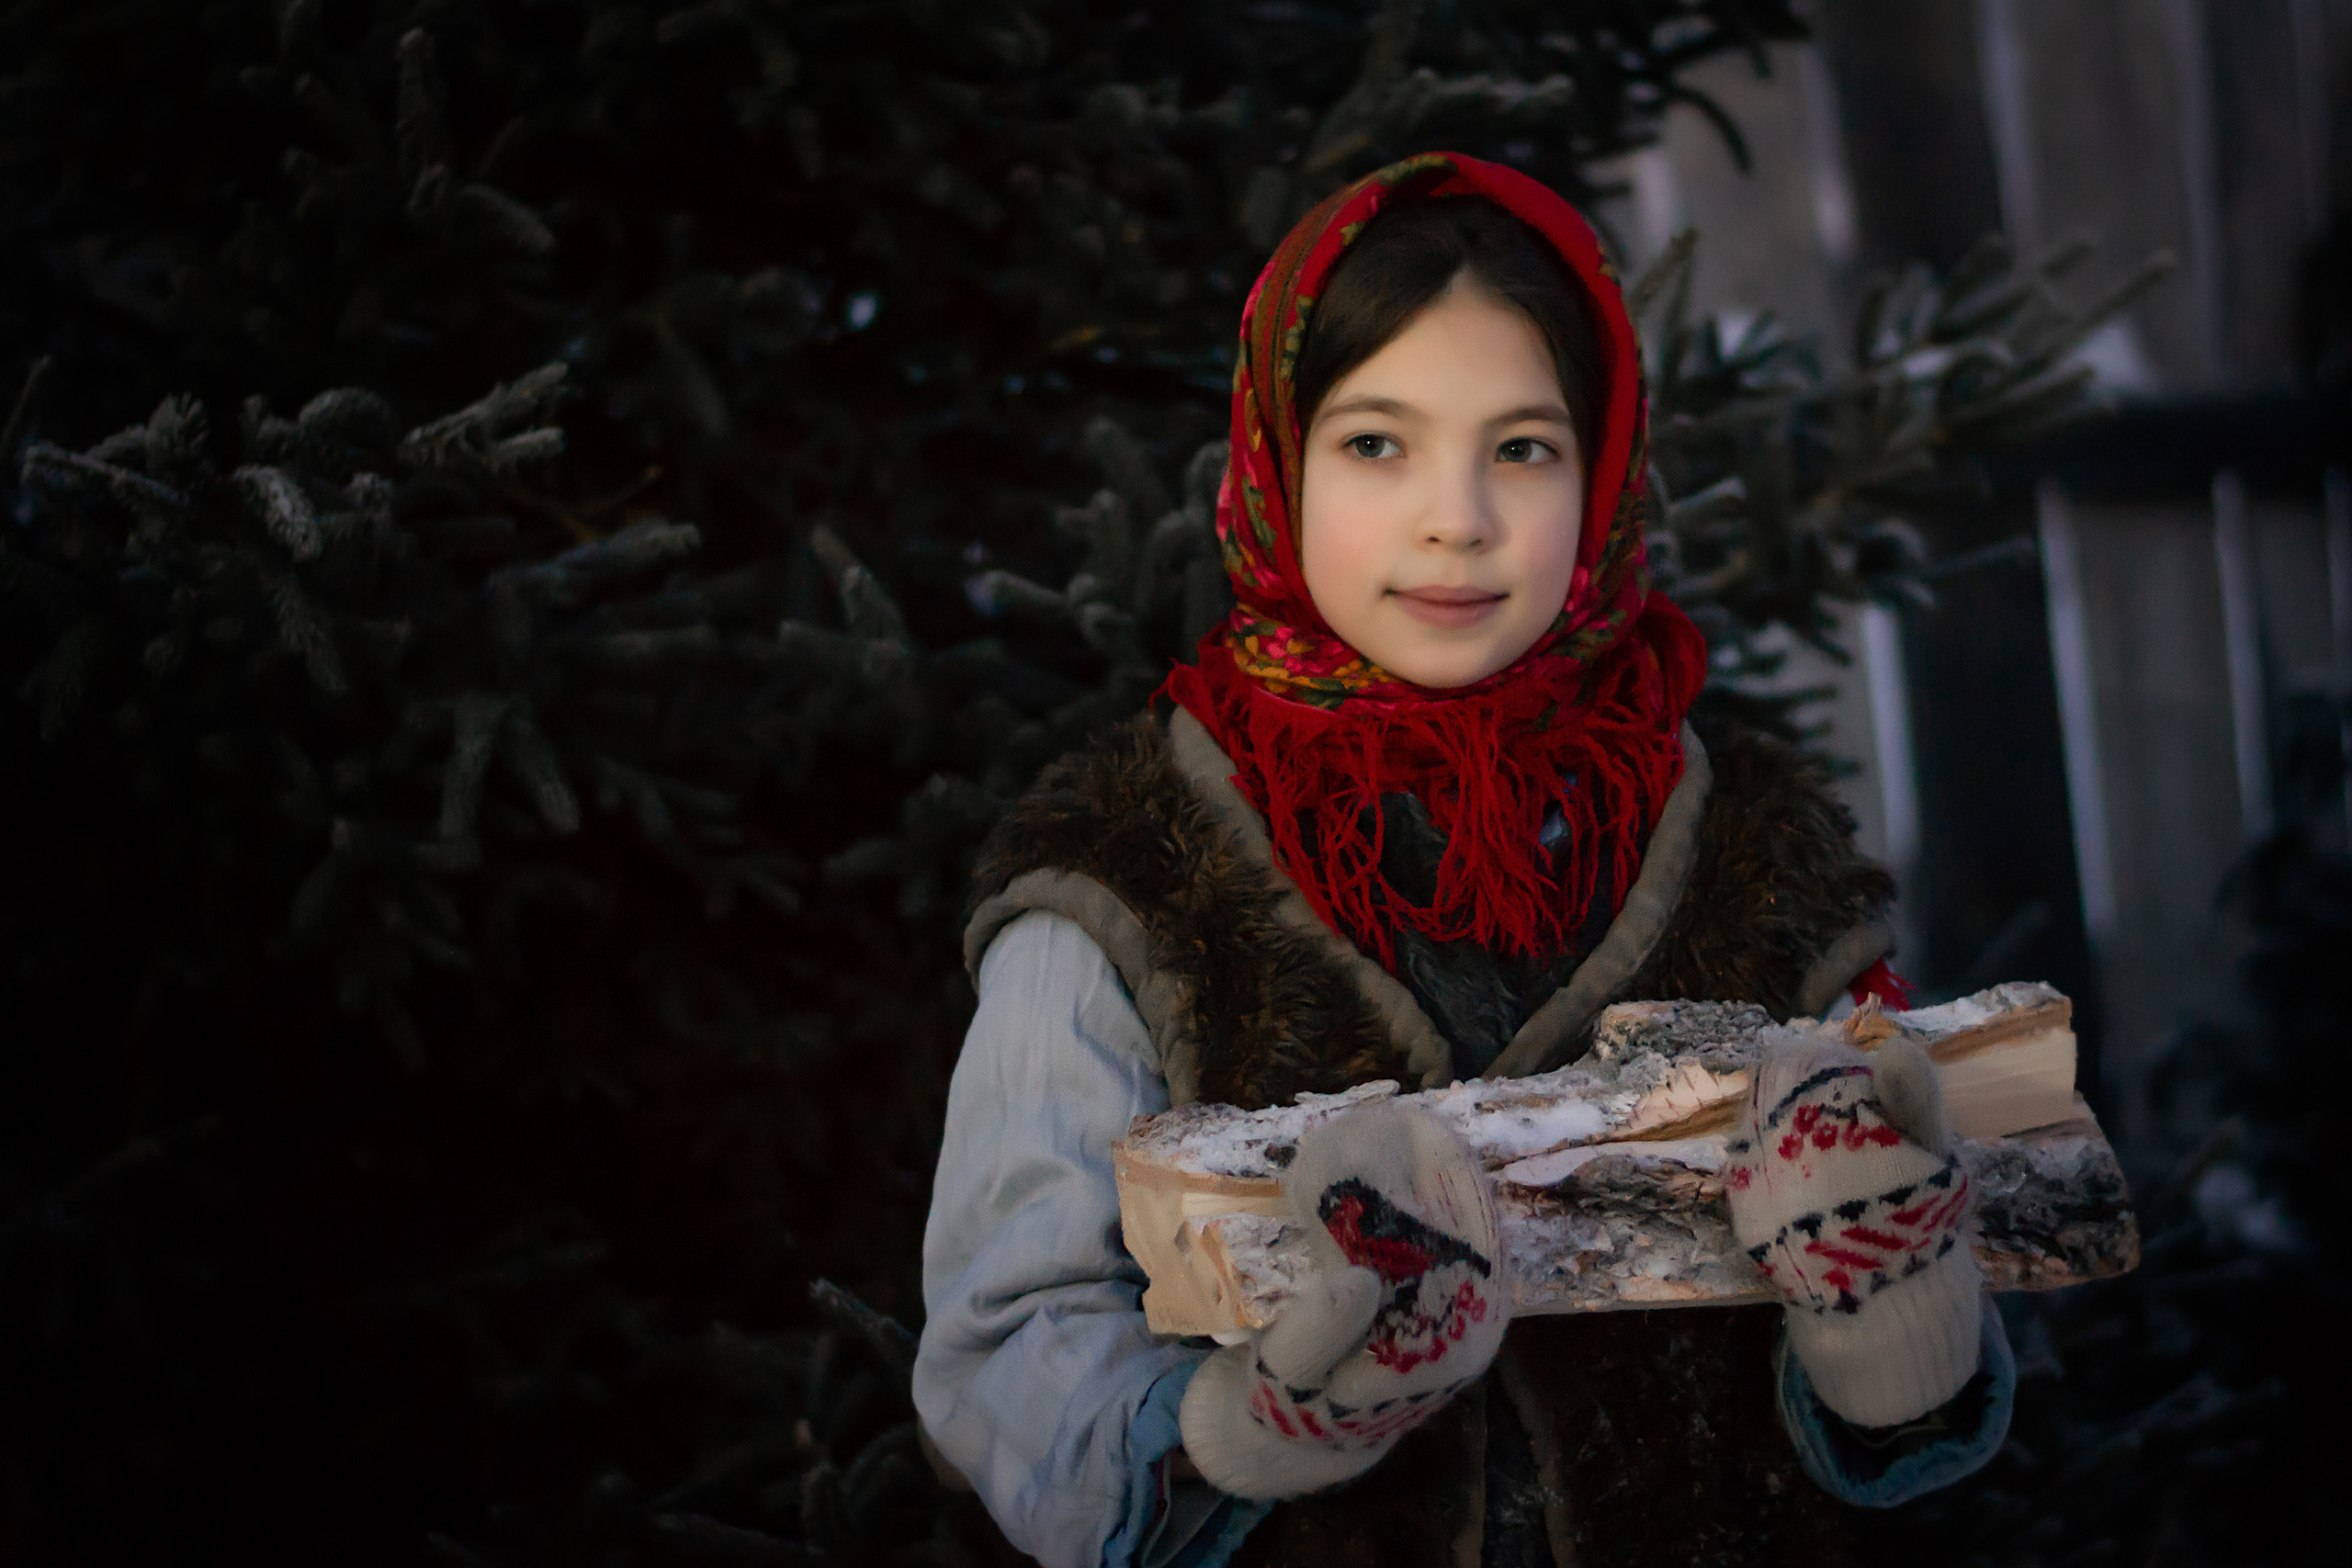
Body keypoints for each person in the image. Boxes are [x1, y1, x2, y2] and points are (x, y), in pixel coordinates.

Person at [913, 152, 2014, 1568]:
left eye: (1522, 448)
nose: (1459, 517)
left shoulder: (1760, 859)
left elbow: (1919, 1292)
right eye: (1377, 443)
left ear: (1602, 469)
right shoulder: (1122, 878)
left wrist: (1891, 1352)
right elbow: (1003, 1344)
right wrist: (1239, 1428)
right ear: (1277, 459)